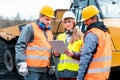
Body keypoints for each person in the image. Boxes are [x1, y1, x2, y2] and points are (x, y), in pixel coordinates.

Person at [15, 5, 56, 80]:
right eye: (47, 19)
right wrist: (21, 62)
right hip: (32, 70)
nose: (49, 22)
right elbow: (20, 46)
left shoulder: (49, 33)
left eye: (50, 20)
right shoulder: (30, 28)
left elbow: (49, 51)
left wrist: (52, 64)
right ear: (40, 17)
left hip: (44, 70)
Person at [76, 5, 112, 80]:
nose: (85, 23)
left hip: (92, 77)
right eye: (84, 21)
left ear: (94, 18)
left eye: (87, 20)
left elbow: (85, 57)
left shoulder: (92, 34)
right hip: (103, 76)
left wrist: (79, 77)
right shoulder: (105, 33)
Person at [54, 11, 83, 80]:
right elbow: (58, 55)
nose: (67, 24)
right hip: (62, 72)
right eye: (65, 22)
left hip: (74, 72)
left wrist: (74, 55)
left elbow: (85, 55)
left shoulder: (81, 36)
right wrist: (56, 54)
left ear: (74, 22)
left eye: (69, 22)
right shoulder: (60, 37)